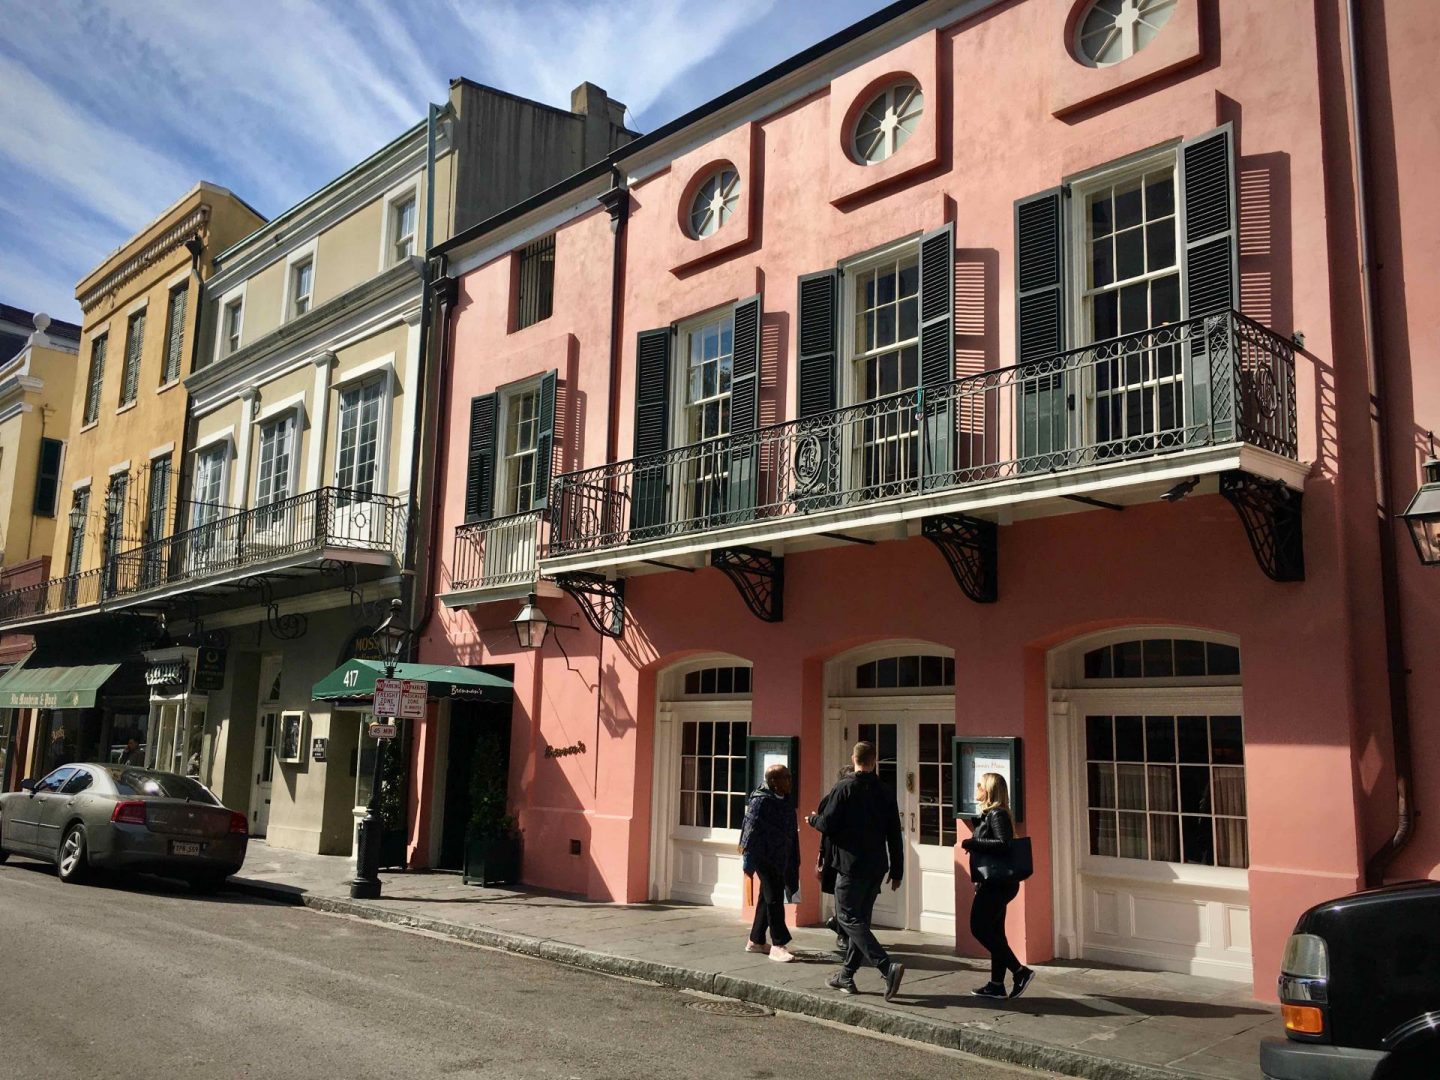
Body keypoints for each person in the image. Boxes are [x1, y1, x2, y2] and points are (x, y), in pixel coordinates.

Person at [809, 741, 906, 1001]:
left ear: (854, 758)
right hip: (876, 866)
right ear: (874, 760)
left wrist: (811, 820)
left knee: (847, 918)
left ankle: (887, 967)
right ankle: (846, 975)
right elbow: (894, 834)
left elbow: (827, 823)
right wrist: (898, 870)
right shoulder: (885, 790)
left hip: (851, 865)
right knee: (860, 921)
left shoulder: (844, 788)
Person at [961, 772, 1035, 999]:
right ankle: (996, 984)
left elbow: (1004, 844)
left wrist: (973, 842)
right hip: (994, 882)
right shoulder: (988, 814)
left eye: (980, 785)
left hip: (999, 884)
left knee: (979, 928)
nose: (977, 788)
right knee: (996, 933)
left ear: (990, 790)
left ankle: (1020, 971)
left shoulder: (997, 814)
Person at [739, 763, 801, 963]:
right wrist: (747, 862)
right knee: (774, 897)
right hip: (764, 857)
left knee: (766, 898)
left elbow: (791, 829)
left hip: (781, 855)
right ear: (773, 781)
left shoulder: (786, 799)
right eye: (785, 778)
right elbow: (749, 830)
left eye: (789, 777)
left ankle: (755, 941)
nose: (790, 781)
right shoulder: (761, 800)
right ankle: (778, 944)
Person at [814, 765, 854, 953]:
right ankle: (842, 932)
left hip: (852, 854)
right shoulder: (831, 799)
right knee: (841, 895)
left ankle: (840, 924)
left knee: (850, 896)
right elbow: (824, 825)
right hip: (835, 853)